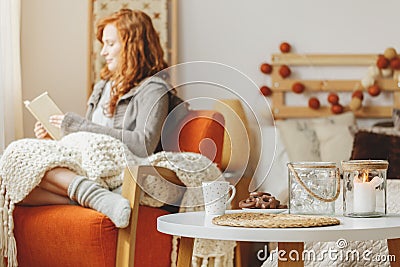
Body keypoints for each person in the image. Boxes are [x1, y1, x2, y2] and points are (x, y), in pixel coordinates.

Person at [11, 9, 174, 229]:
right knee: (14, 180)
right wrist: (56, 136)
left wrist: (79, 126)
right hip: (88, 163)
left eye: (110, 44)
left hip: (117, 169)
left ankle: (91, 194)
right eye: (103, 45)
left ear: (132, 45)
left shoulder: (154, 90)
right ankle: (97, 198)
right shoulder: (102, 87)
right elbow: (87, 140)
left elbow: (143, 144)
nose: (103, 52)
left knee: (20, 159)